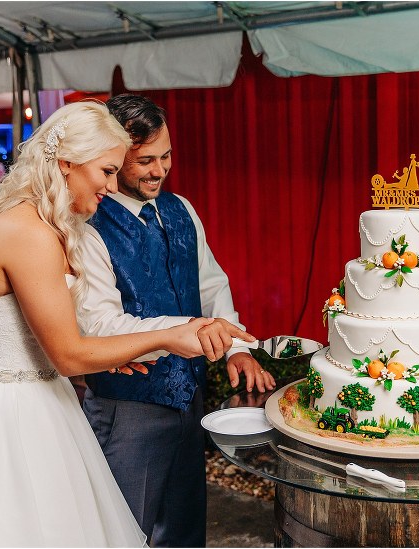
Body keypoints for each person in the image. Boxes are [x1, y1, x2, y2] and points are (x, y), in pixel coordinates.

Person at [0, 101, 254, 547]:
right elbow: (70, 354)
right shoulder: (29, 232)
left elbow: (66, 337)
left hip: (41, 402)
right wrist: (171, 335)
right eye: (108, 170)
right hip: (6, 418)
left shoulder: (48, 225)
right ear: (68, 163)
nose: (111, 186)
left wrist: (119, 351)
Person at [77, 94, 276, 547]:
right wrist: (188, 331)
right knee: (125, 532)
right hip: (129, 407)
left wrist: (237, 349)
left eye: (166, 156)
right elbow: (100, 326)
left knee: (185, 531)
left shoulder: (181, 209)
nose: (159, 170)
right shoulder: (88, 226)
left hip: (189, 400)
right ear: (112, 158)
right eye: (144, 160)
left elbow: (212, 285)